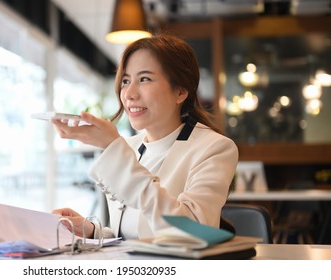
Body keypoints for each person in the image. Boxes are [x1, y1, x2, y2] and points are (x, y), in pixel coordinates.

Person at [51, 33, 238, 240]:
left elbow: (191, 231)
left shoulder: (215, 148)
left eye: (145, 79)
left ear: (181, 92)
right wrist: (92, 231)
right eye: (125, 81)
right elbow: (132, 233)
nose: (129, 94)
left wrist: (114, 148)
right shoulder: (129, 147)